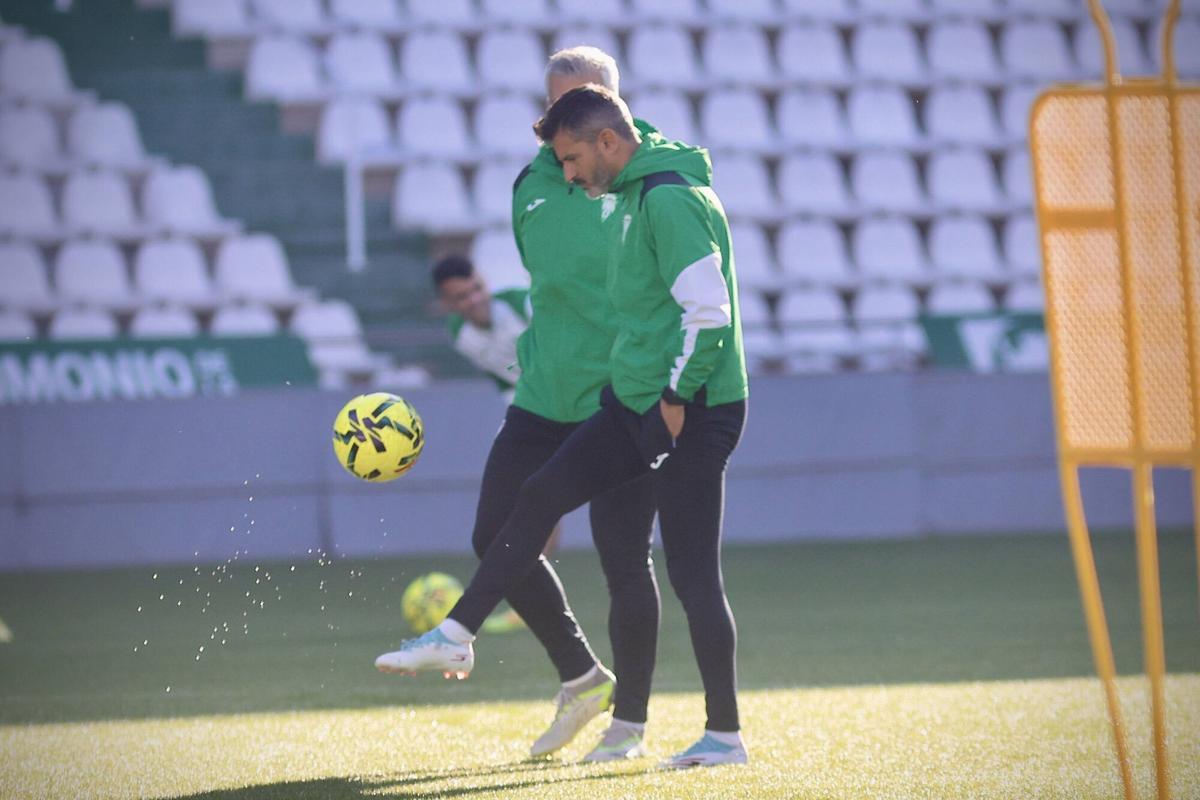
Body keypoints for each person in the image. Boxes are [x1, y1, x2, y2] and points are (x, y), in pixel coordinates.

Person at [379, 85, 750, 769]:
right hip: (631, 399)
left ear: (608, 139)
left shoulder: (666, 197)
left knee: (689, 574)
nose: (570, 173)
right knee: (543, 498)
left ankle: (719, 735)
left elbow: (709, 314)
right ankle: (468, 634)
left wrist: (675, 397)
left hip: (679, 406)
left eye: (574, 157)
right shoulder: (634, 194)